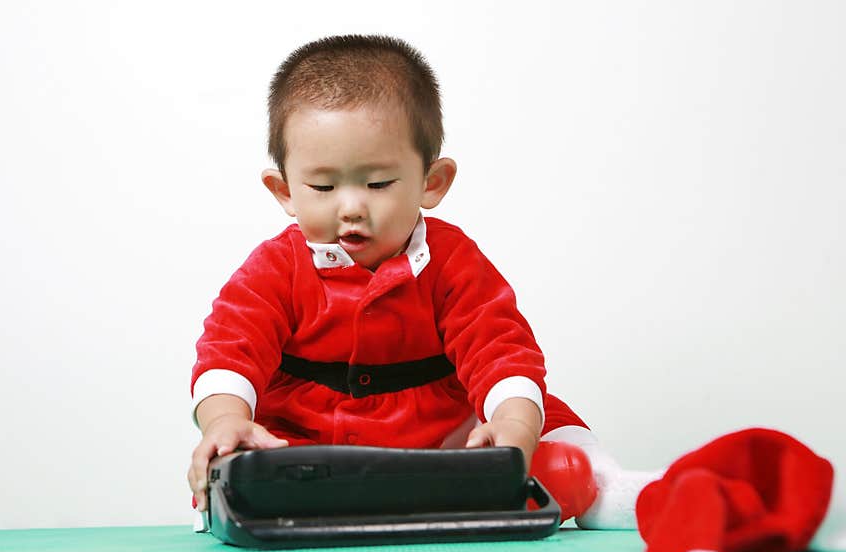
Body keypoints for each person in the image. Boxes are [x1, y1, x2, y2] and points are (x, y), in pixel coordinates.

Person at [186, 34, 651, 525]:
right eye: (322, 187)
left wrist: (513, 427)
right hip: (312, 443)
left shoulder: (451, 260)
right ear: (284, 191)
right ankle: (252, 495)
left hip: (447, 441)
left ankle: (603, 487)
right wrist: (225, 421)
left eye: (378, 184)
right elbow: (230, 350)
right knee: (240, 463)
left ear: (432, 182)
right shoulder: (275, 268)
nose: (351, 208)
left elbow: (497, 346)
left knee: (540, 418)